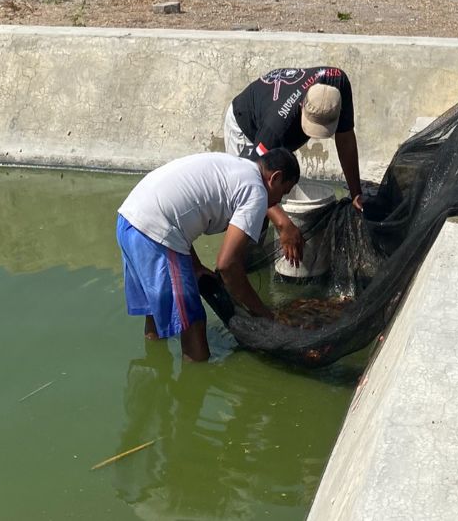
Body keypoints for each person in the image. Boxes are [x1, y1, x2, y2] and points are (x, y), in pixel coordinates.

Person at [116, 149, 299, 362]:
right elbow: (227, 266)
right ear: (274, 178)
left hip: (129, 220)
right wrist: (264, 315)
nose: (278, 201)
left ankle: (153, 367)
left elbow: (181, 211)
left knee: (155, 312)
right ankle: (195, 383)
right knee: (193, 321)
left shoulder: (236, 166)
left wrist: (195, 264)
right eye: (283, 192)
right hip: (155, 233)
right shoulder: (256, 192)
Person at [224, 67, 363, 263]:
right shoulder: (276, 127)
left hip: (274, 117)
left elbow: (346, 138)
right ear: (302, 106)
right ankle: (240, 262)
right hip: (246, 126)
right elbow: (251, 180)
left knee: (273, 195)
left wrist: (356, 193)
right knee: (253, 208)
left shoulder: (338, 83)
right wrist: (284, 225)